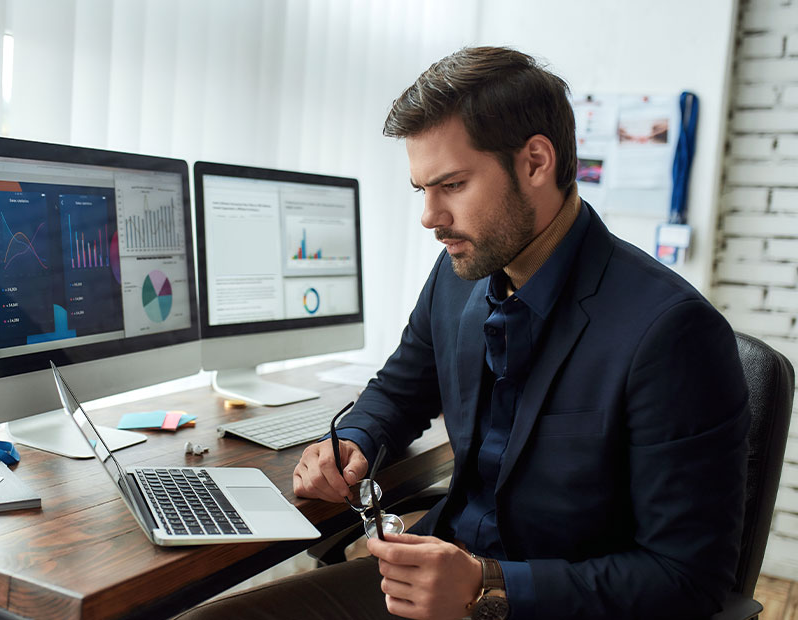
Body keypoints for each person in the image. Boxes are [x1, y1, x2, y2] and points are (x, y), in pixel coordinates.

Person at [176, 46, 748, 620]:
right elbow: (401, 388)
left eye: (451, 185)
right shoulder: (460, 276)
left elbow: (687, 580)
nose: (429, 216)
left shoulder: (672, 333)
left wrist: (487, 586)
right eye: (421, 189)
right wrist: (355, 439)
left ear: (535, 162)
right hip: (432, 575)